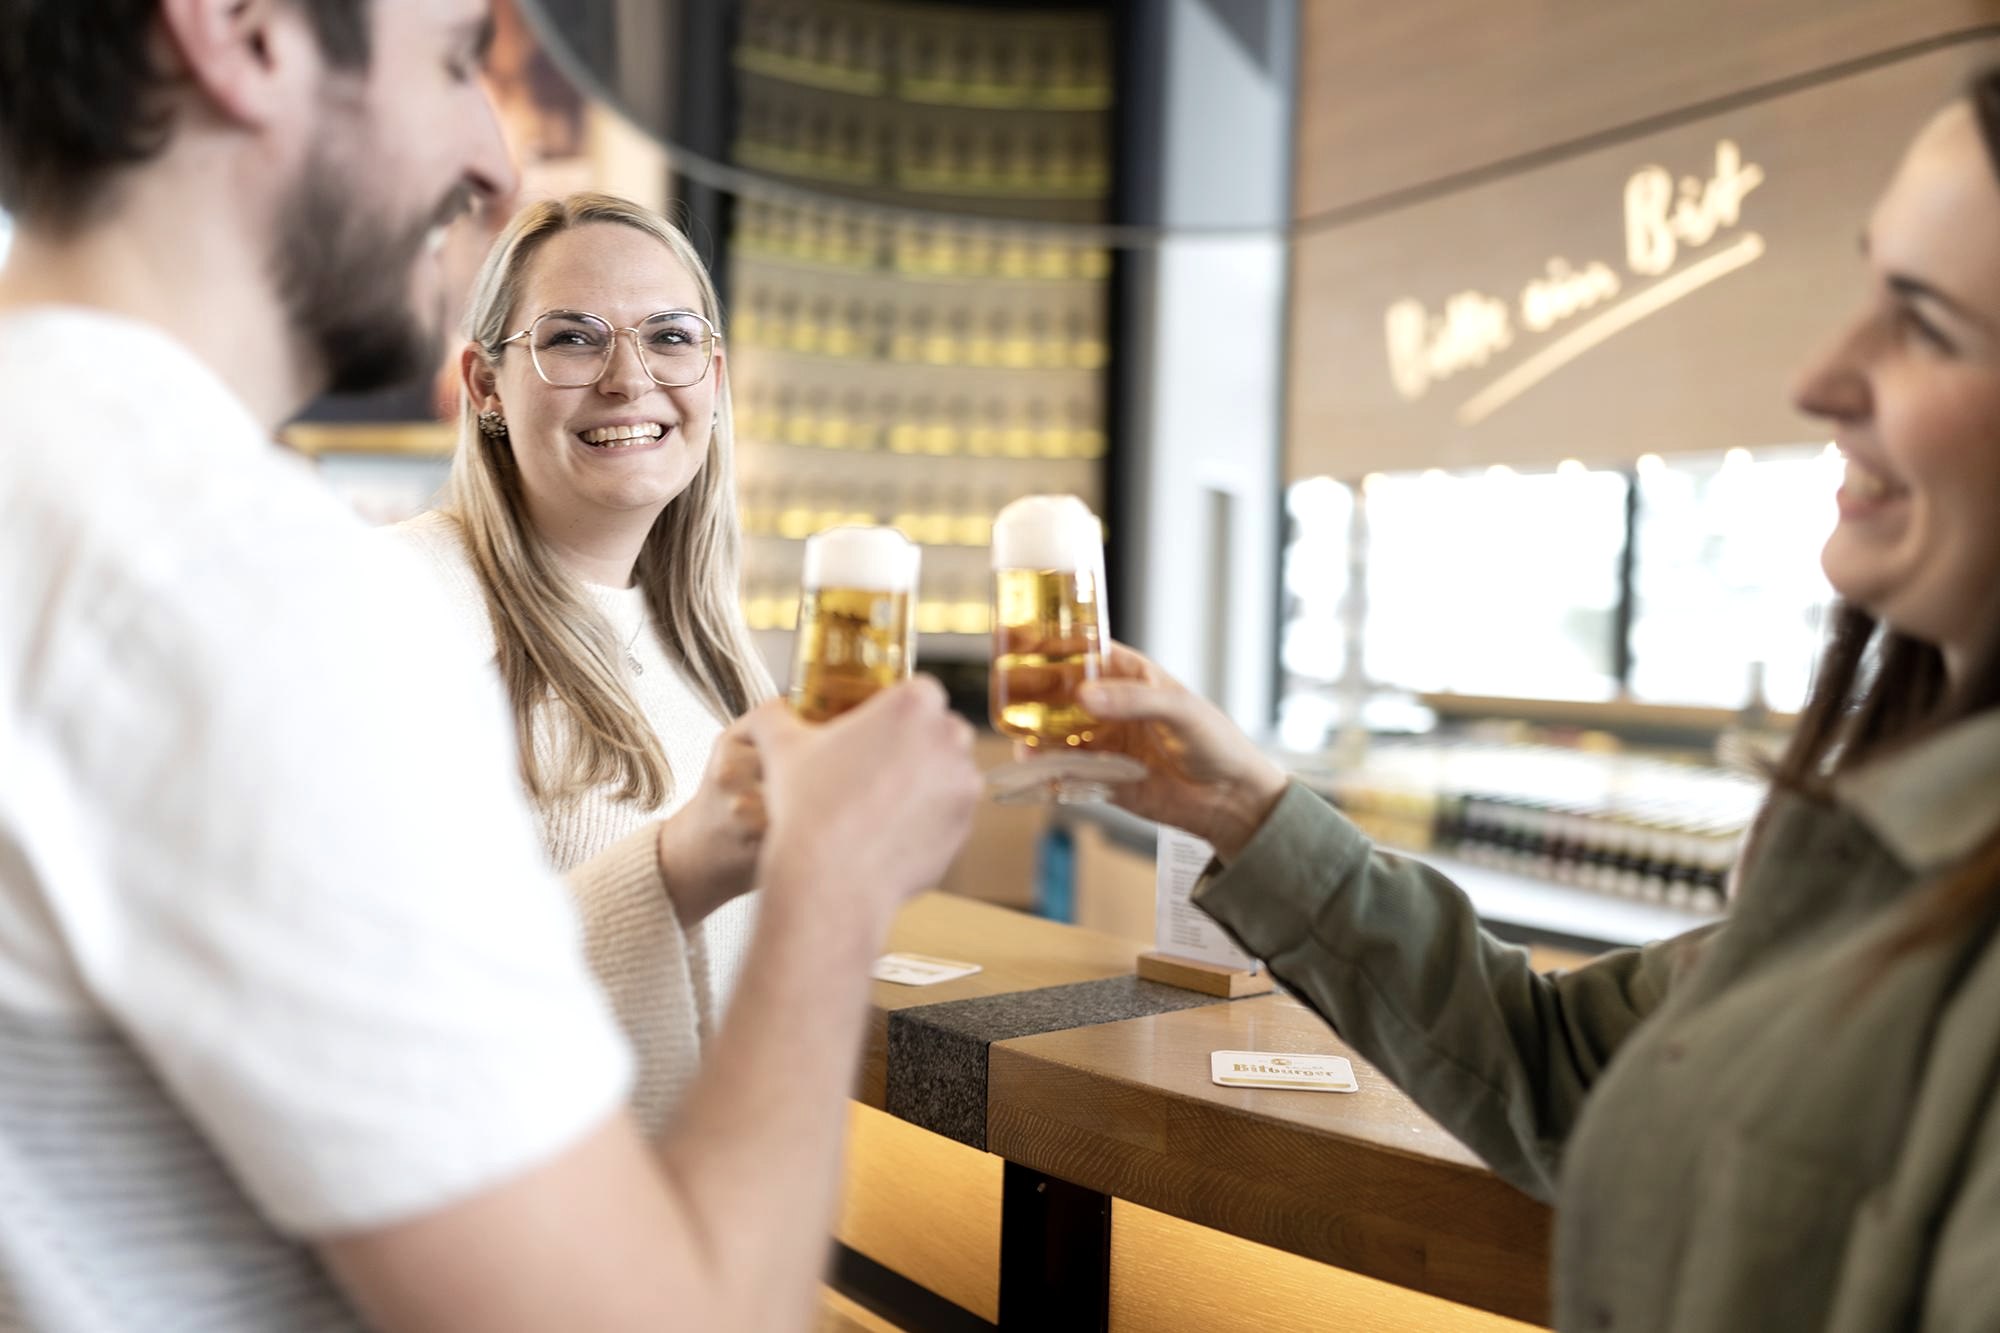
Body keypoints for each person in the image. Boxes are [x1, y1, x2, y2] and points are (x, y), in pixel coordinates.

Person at [0, 4, 979, 1332]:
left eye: (671, 337)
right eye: (458, 57)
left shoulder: (78, 494)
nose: (492, 159)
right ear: (240, 33)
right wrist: (835, 880)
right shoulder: (253, 589)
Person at [1078, 73, 2000, 1333]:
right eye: (1866, 289)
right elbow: (1562, 1067)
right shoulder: (1878, 853)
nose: (1818, 376)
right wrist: (1242, 808)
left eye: (1925, 324)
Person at [382, 193, 771, 1130]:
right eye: (572, 338)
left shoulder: (712, 653)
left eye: (669, 336)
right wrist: (679, 866)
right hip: (515, 1204)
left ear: (713, 378)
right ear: (485, 386)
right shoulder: (403, 600)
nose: (630, 379)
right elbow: (383, 999)